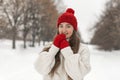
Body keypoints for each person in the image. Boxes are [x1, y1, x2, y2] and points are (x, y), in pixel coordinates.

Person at [34, 8, 91, 80]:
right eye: (61, 26)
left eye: (68, 26)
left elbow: (78, 75)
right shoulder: (49, 46)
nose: (64, 30)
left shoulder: (83, 49)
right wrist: (54, 48)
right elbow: (41, 69)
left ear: (74, 29)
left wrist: (66, 50)